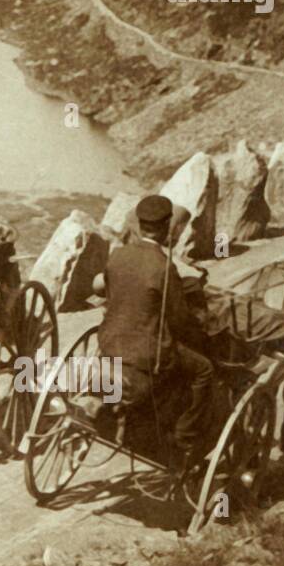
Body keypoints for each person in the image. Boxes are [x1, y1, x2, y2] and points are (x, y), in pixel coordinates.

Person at [96, 195, 216, 462]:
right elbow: (179, 320)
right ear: (166, 228)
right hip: (146, 355)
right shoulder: (163, 266)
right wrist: (201, 334)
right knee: (204, 370)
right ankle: (184, 437)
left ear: (140, 225)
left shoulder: (117, 255)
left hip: (109, 345)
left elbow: (111, 295)